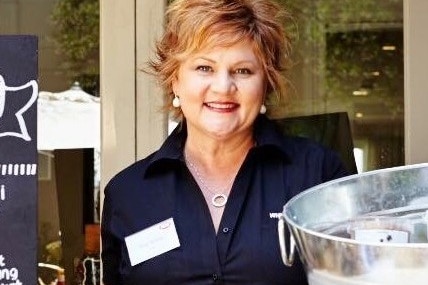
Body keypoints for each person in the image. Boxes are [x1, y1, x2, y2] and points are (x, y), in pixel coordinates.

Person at [101, 0, 349, 284]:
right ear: (175, 80)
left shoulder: (317, 176)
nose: (223, 87)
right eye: (204, 68)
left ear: (266, 83)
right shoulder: (129, 194)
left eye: (243, 71)